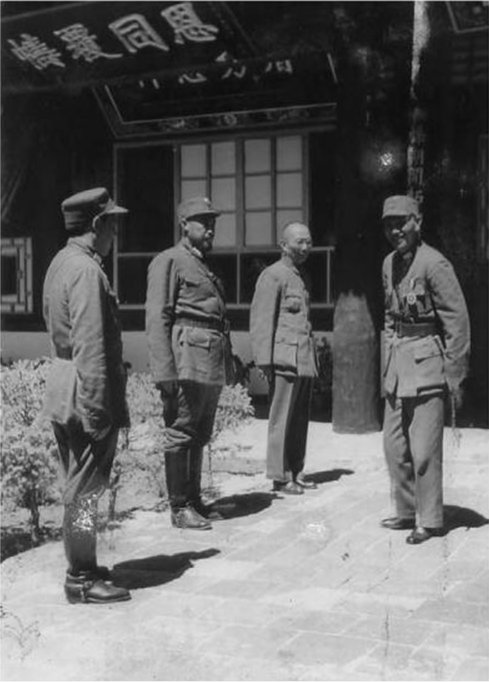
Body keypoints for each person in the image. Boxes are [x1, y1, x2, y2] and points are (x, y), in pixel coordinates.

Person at [42, 187, 131, 603]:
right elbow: (91, 344)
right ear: (97, 225)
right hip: (86, 390)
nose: (116, 231)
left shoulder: (62, 262)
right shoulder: (87, 271)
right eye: (112, 222)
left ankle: (83, 564)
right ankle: (80, 577)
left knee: (79, 484)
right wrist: (99, 413)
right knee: (85, 490)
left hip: (65, 384)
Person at [380, 195, 470, 544]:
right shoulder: (389, 263)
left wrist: (454, 375)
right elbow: (389, 316)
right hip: (398, 366)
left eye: (401, 222)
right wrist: (388, 361)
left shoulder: (435, 264)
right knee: (394, 446)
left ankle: (430, 520)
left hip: (428, 364)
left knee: (424, 449)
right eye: (388, 224)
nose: (395, 230)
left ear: (418, 222)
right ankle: (405, 512)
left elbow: (457, 323)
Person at [145, 196, 233, 531]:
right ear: (184, 225)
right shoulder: (169, 261)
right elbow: (157, 318)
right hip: (185, 360)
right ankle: (179, 507)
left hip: (208, 359)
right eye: (203, 221)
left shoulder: (203, 265)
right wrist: (163, 371)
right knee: (180, 431)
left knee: (200, 432)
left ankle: (194, 500)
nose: (210, 228)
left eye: (213, 222)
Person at [250, 222, 318, 495]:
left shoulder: (300, 277)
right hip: (283, 358)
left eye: (308, 242)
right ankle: (280, 476)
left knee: (300, 419)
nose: (305, 247)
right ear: (283, 245)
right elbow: (262, 320)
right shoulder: (272, 276)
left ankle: (296, 470)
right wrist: (264, 361)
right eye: (299, 242)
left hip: (302, 358)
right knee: (281, 418)